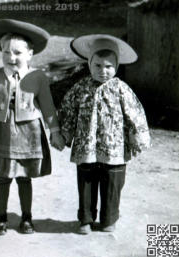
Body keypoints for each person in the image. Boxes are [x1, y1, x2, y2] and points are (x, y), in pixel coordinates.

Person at [0, 19, 65, 235]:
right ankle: (1, 219)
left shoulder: (37, 77)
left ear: (30, 54)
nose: (11, 58)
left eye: (17, 53)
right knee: (3, 176)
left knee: (24, 177)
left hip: (29, 133)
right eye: (6, 53)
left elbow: (47, 106)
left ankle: (26, 218)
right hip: (2, 133)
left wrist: (54, 131)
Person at [60, 34, 151, 234]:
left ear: (117, 67)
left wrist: (137, 139)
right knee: (87, 181)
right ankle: (86, 219)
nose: (103, 71)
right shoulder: (80, 88)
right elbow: (68, 110)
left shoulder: (121, 89)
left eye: (109, 66)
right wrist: (64, 134)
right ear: (89, 64)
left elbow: (134, 114)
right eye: (98, 65)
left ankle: (109, 219)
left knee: (112, 182)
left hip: (114, 147)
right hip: (87, 145)